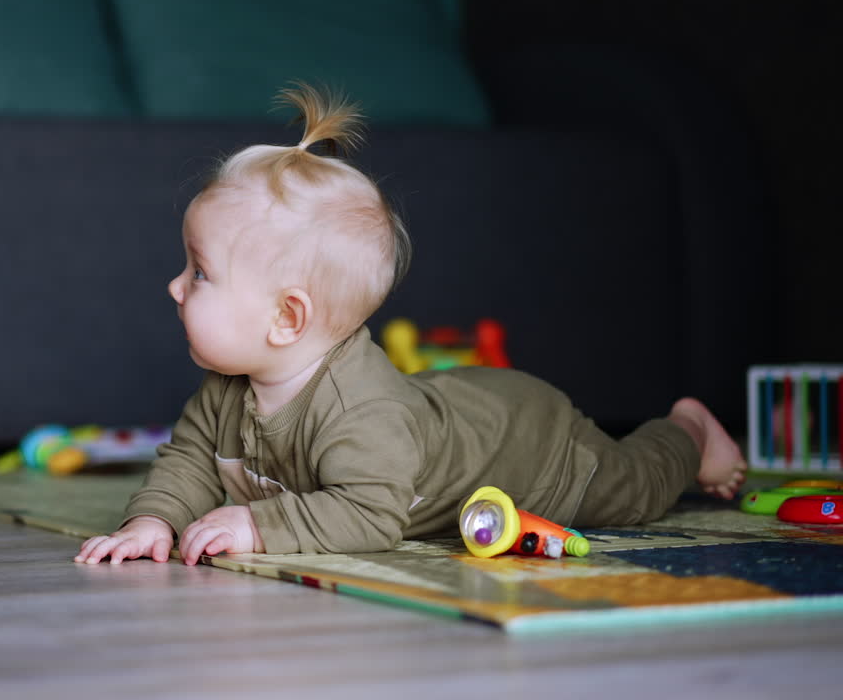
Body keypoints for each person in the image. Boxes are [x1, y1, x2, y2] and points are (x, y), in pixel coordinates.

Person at [74, 83, 746, 567]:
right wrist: (153, 521)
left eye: (198, 273)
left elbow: (372, 514)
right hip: (461, 406)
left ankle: (687, 430)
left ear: (286, 318)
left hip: (532, 446)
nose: (174, 286)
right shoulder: (226, 392)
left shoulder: (359, 410)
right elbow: (188, 464)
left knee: (630, 492)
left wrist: (257, 523)